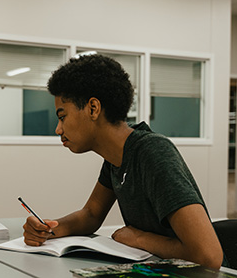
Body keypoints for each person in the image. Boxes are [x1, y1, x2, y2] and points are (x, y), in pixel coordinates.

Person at [22, 54, 223, 269]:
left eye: (62, 116)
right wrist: (50, 228)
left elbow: (208, 257)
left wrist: (139, 239)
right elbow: (91, 215)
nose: (58, 129)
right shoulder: (115, 158)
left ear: (93, 108)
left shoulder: (152, 152)